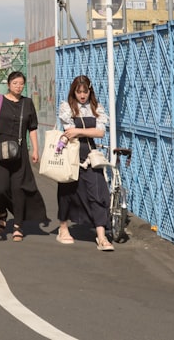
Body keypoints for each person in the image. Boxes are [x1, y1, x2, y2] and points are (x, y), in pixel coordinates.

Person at [0, 71, 48, 242]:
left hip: (20, 152)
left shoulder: (27, 103)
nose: (19, 87)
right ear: (8, 84)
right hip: (0, 151)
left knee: (18, 189)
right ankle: (3, 212)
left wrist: (36, 149)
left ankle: (18, 226)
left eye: (21, 84)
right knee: (0, 186)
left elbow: (32, 128)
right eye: (15, 83)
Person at [56, 75, 114, 251]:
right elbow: (68, 131)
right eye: (78, 91)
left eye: (85, 92)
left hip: (90, 156)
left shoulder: (97, 108)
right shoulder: (66, 107)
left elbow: (100, 133)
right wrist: (88, 131)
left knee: (97, 192)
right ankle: (63, 227)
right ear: (74, 92)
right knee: (67, 192)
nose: (82, 95)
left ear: (90, 92)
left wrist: (79, 131)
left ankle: (101, 237)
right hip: (71, 155)